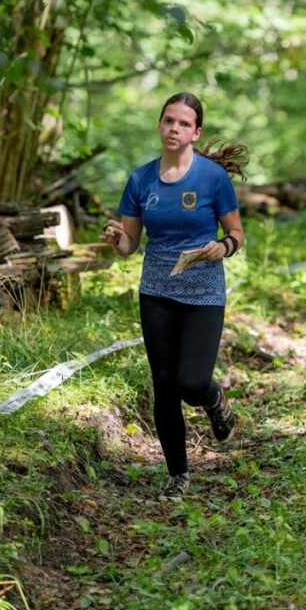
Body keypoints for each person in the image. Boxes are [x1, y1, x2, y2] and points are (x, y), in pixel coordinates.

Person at [100, 92, 247, 501]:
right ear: (159, 125)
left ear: (195, 133)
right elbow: (130, 244)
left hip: (203, 292)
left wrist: (223, 246)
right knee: (164, 386)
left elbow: (237, 234)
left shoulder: (212, 178)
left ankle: (213, 398)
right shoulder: (140, 180)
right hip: (157, 292)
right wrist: (117, 239)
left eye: (184, 123)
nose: (174, 129)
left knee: (192, 382)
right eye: (169, 121)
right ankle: (177, 474)